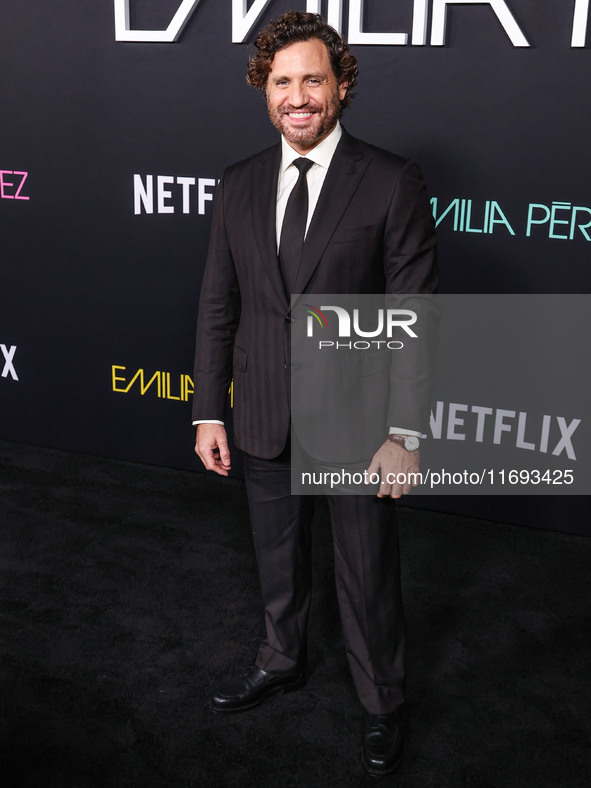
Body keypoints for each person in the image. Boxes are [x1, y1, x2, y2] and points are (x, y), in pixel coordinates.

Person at [193, 10, 437, 777]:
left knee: (365, 575)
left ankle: (381, 701)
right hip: (262, 409)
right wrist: (208, 408)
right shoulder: (237, 183)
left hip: (358, 426)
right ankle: (281, 656)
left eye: (311, 80)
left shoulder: (390, 179)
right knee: (275, 559)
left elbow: (415, 318)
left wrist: (405, 433)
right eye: (281, 81)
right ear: (264, 90)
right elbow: (217, 306)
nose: (296, 96)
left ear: (340, 87)